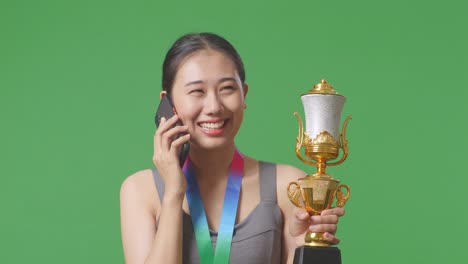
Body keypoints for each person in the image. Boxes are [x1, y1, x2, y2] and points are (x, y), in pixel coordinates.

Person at [120, 32, 345, 264]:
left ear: (243, 94)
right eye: (197, 91)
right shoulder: (140, 190)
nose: (214, 107)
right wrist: (174, 193)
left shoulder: (290, 187)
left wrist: (299, 247)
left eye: (227, 88)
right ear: (169, 104)